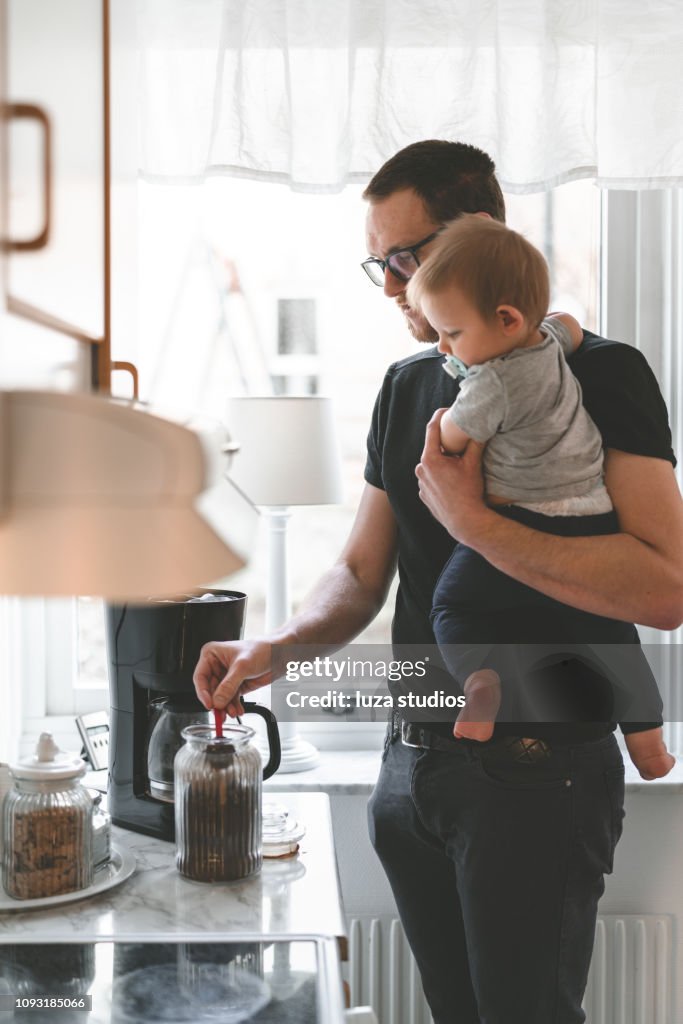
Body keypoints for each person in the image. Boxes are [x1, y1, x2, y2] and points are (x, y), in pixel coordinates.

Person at [193, 141, 683, 1024]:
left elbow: (664, 587)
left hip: (538, 769)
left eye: (404, 258)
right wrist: (278, 646)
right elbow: (356, 571)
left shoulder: (603, 374)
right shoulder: (408, 384)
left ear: (479, 232)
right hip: (409, 760)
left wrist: (475, 525)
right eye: (376, 263)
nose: (390, 287)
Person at [403, 214, 674, 781]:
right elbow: (568, 324)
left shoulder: (489, 384)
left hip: (518, 515)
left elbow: (451, 438)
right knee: (612, 636)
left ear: (504, 318)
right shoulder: (548, 343)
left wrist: (446, 434)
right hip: (590, 516)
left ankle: (480, 681)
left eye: (452, 334)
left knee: (455, 607)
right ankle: (650, 747)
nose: (445, 348)